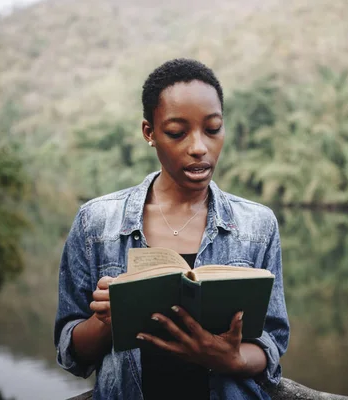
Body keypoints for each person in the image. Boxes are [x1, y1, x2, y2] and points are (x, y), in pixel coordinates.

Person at [54, 58, 290, 400]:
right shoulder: (97, 223)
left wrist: (232, 359)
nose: (199, 147)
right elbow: (72, 354)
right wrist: (107, 321)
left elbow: (271, 343)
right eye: (177, 133)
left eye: (212, 129)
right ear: (149, 132)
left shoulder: (257, 225)